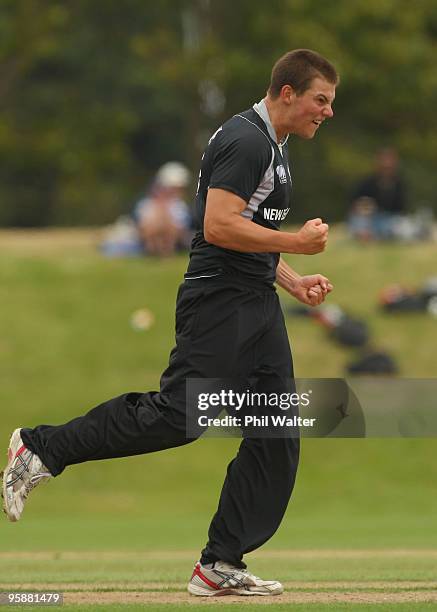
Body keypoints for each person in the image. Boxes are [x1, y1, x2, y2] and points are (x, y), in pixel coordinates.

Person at [1, 49, 338, 597]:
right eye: (320, 100)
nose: (326, 112)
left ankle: (219, 564)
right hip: (219, 303)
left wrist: (291, 277)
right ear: (287, 93)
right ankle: (42, 449)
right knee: (180, 416)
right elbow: (218, 225)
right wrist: (294, 241)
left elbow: (245, 229)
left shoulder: (273, 148)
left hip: (254, 299)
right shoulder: (247, 140)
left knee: (277, 429)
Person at [348, 147, 407, 240]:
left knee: (398, 225)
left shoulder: (399, 184)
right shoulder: (367, 183)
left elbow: (401, 210)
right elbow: (356, 205)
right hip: (369, 219)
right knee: (359, 221)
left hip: (389, 219)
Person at [135, 161, 193, 256]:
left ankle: (162, 251)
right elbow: (142, 226)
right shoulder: (146, 203)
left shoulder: (180, 205)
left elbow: (182, 229)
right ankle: (154, 250)